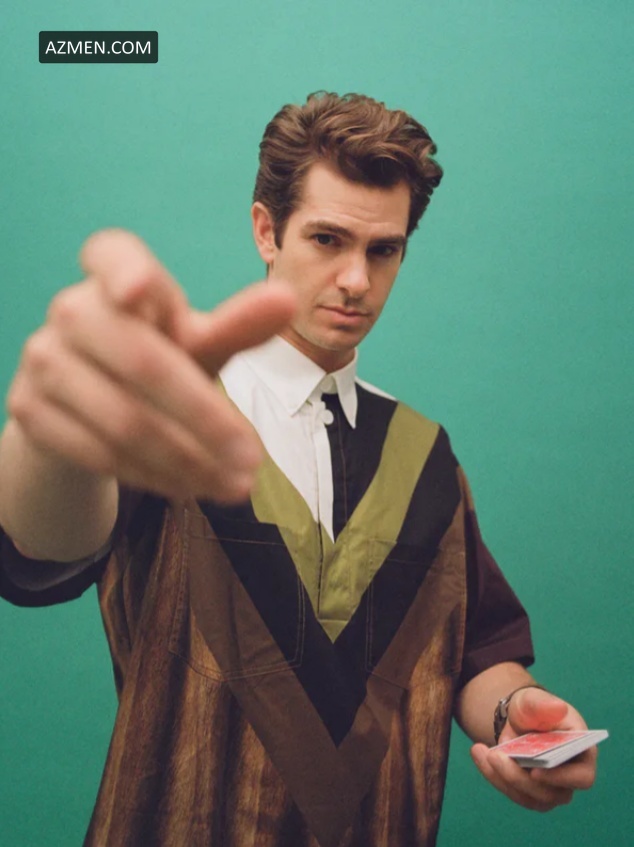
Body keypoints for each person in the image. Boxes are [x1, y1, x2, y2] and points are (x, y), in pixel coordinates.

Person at [0, 92, 597, 847]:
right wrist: (51, 438)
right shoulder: (171, 415)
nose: (356, 280)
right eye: (327, 239)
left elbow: (480, 651)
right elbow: (38, 553)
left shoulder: (424, 457)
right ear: (266, 230)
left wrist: (519, 716)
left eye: (383, 250)